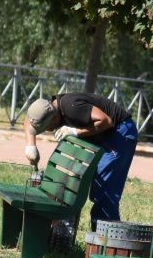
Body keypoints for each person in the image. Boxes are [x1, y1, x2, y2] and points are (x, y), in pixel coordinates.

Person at [23, 92, 138, 226]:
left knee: (104, 190)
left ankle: (107, 235)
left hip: (120, 132)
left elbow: (106, 121)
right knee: (80, 182)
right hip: (101, 132)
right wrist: (30, 145)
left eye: (48, 127)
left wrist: (75, 132)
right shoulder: (47, 108)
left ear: (55, 117)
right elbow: (29, 120)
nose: (49, 130)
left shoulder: (72, 108)